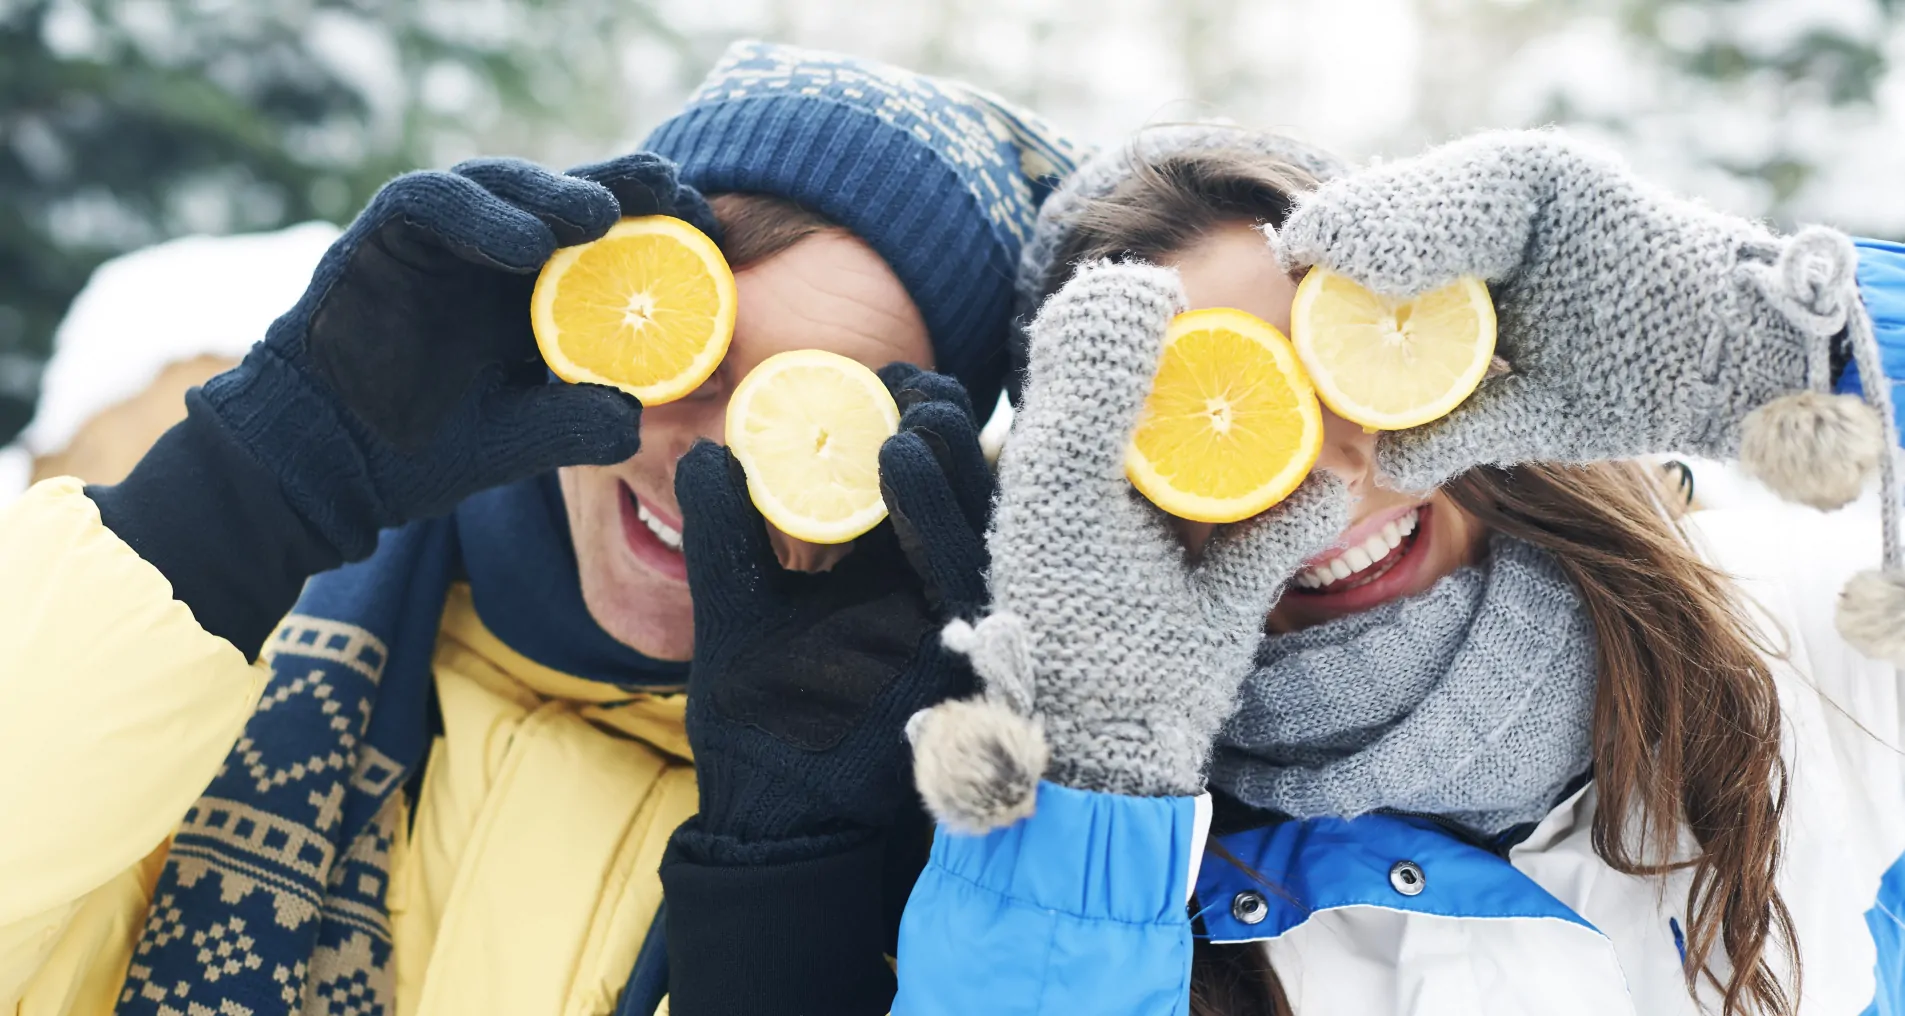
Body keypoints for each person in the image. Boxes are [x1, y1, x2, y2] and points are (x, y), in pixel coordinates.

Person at [0, 41, 1077, 1016]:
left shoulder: (945, 860)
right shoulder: (230, 643)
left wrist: (783, 883)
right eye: (686, 350)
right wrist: (242, 498)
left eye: (818, 415)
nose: (710, 458)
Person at [891, 125, 1905, 1016]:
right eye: (1217, 423)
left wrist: (1788, 344)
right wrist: (1095, 784)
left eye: (1346, 366)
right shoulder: (1147, 895)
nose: (1331, 465)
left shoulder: (1804, 643)